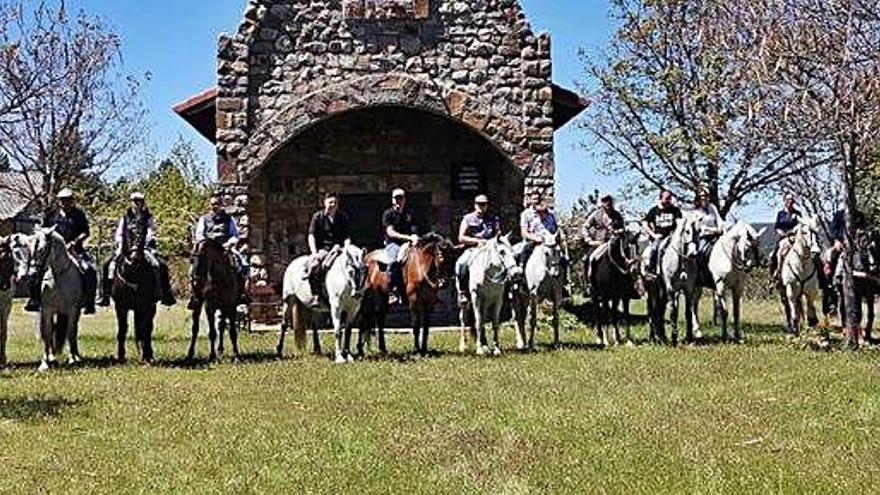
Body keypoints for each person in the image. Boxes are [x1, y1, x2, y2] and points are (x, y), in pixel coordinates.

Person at [25, 188, 98, 314]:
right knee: (35, 271)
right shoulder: (52, 215)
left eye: (68, 200)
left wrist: (74, 243)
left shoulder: (79, 214)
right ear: (59, 201)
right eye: (63, 200)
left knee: (90, 270)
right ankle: (34, 299)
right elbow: (44, 231)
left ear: (72, 201)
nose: (65, 203)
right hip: (52, 251)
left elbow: (85, 232)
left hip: (75, 250)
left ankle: (89, 303)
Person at [99, 192, 175, 307]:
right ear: (131, 203)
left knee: (160, 265)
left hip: (144, 247)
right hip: (126, 247)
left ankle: (164, 293)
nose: (137, 203)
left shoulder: (148, 217)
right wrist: (122, 243)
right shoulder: (125, 218)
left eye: (139, 201)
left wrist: (143, 243)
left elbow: (151, 231)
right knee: (107, 264)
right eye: (135, 201)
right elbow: (119, 233)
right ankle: (104, 295)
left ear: (143, 203)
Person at [188, 195, 249, 310]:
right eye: (212, 204)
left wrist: (230, 243)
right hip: (208, 249)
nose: (214, 207)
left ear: (221, 205)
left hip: (225, 248)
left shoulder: (228, 219)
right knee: (193, 269)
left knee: (243, 264)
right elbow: (199, 234)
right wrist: (204, 242)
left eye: (217, 204)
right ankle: (195, 295)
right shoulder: (204, 219)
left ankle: (242, 293)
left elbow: (235, 235)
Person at [306, 192, 351, 307]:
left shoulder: (343, 217)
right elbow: (311, 235)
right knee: (314, 267)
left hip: (339, 249)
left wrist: (346, 248)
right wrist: (314, 252)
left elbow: (347, 237)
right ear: (324, 203)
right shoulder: (318, 217)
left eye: (335, 203)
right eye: (330, 202)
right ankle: (316, 295)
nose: (332, 205)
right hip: (323, 249)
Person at [455, 194, 500, 305]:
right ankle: (463, 291)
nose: (481, 206)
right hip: (473, 249)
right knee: (461, 264)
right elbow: (461, 237)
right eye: (479, 204)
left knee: (505, 263)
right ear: (475, 205)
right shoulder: (468, 218)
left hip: (490, 250)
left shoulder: (493, 219)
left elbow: (498, 235)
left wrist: (491, 242)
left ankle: (508, 291)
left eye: (484, 204)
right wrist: (476, 241)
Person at [382, 188, 419, 305]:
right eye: (396, 198)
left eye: (401, 198)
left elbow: (414, 229)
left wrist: (415, 237)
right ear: (392, 200)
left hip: (409, 244)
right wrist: (409, 238)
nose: (398, 201)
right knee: (393, 262)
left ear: (404, 199)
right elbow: (391, 233)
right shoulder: (388, 214)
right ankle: (391, 291)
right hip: (393, 243)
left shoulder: (410, 213)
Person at [582, 193, 625, 284]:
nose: (607, 203)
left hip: (615, 243)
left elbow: (622, 228)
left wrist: (618, 231)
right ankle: (589, 283)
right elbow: (585, 226)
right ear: (601, 202)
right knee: (588, 259)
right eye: (605, 200)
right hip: (600, 243)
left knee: (627, 258)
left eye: (609, 200)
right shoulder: (596, 214)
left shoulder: (617, 215)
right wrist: (589, 240)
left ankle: (630, 285)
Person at [642, 188, 683, 277]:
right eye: (667, 198)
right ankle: (651, 269)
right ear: (661, 199)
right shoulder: (654, 210)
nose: (669, 200)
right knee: (654, 249)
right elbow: (645, 223)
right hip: (659, 237)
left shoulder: (675, 210)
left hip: (672, 236)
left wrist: (676, 233)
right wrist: (653, 234)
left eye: (670, 198)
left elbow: (679, 223)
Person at [514, 191, 560, 265]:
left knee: (561, 257)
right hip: (532, 241)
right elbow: (524, 233)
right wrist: (535, 238)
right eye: (534, 199)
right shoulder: (526, 214)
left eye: (538, 199)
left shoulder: (550, 214)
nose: (536, 201)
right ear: (530, 200)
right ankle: (520, 269)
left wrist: (554, 237)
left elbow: (555, 229)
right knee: (518, 253)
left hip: (549, 241)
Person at [769, 193, 802, 279]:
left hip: (795, 237)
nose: (790, 202)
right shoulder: (780, 214)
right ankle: (776, 273)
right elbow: (777, 227)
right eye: (788, 200)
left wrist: (793, 232)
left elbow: (801, 226)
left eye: (791, 200)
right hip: (783, 238)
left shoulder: (797, 213)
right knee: (775, 254)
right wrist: (781, 233)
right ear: (784, 201)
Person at [693, 190, 724, 259]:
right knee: (702, 252)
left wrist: (720, 227)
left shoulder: (712, 207)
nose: (703, 198)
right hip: (704, 237)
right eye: (701, 196)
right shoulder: (697, 212)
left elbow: (719, 219)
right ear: (698, 199)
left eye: (705, 196)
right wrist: (710, 229)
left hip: (716, 235)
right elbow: (697, 228)